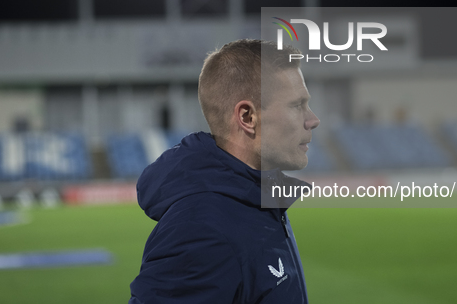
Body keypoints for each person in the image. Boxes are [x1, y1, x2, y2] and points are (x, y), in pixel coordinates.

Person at [129, 39, 320, 304]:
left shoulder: (253, 199)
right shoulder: (200, 230)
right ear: (248, 117)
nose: (313, 120)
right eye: (297, 105)